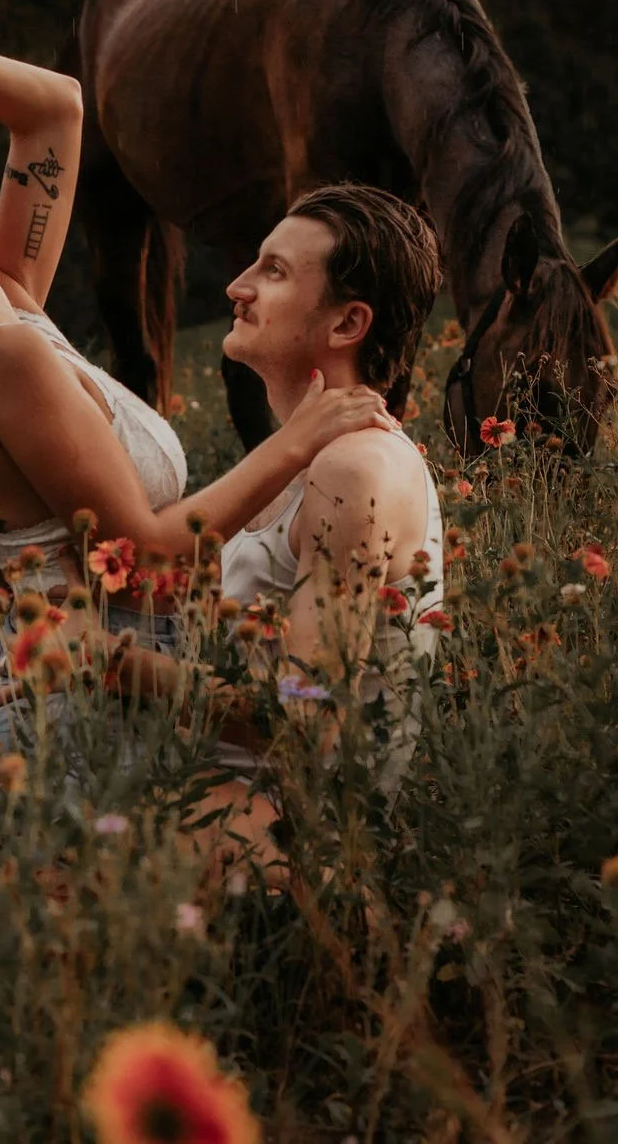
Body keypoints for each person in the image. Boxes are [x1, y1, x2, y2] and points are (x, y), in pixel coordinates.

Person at [0, 13, 399, 764]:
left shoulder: (7, 304)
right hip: (80, 711)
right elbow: (145, 567)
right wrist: (295, 442)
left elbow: (54, 109)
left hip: (97, 688)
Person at [195, 184, 445, 882]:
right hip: (215, 801)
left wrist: (124, 675)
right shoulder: (301, 457)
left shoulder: (355, 469)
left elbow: (307, 722)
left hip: (282, 836)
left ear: (347, 323)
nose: (238, 286)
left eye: (273, 271)